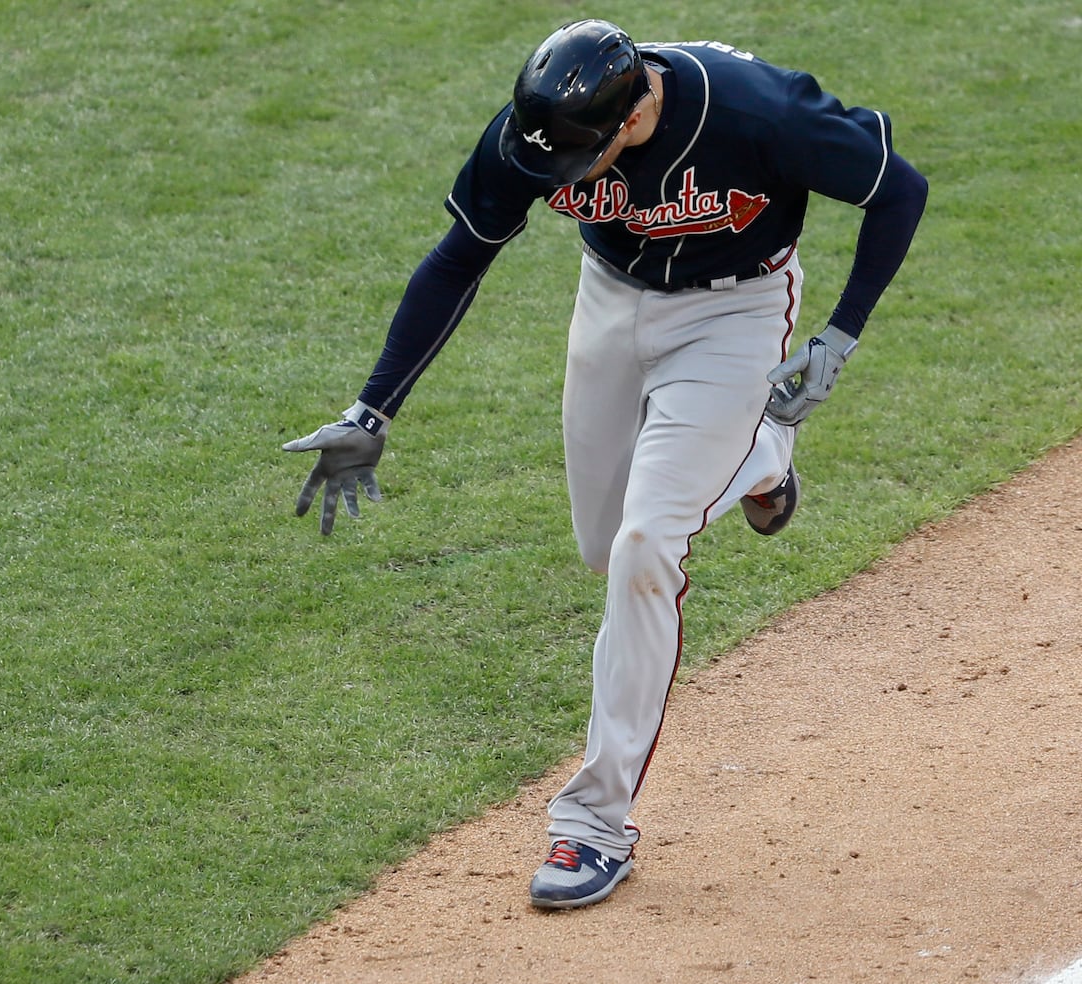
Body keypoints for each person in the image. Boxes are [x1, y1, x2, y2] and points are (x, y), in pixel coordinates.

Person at [284, 20, 926, 910]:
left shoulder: (761, 112)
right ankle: (761, 456)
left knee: (642, 550)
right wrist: (372, 408)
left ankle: (591, 826)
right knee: (601, 542)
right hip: (611, 305)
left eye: (577, 157)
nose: (555, 176)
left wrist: (841, 334)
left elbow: (899, 189)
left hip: (733, 318)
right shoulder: (535, 131)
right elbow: (460, 258)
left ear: (634, 116)